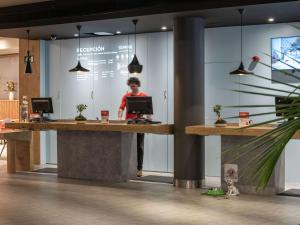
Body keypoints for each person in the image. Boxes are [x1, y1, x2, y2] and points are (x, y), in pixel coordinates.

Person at [118, 77, 148, 177]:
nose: (132, 86)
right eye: (131, 85)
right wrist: (119, 118)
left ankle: (139, 169)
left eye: (134, 85)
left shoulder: (144, 96)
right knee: (128, 146)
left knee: (139, 146)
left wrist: (149, 118)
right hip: (129, 123)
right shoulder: (126, 96)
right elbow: (121, 108)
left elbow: (148, 110)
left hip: (140, 123)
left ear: (138, 85)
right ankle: (128, 168)